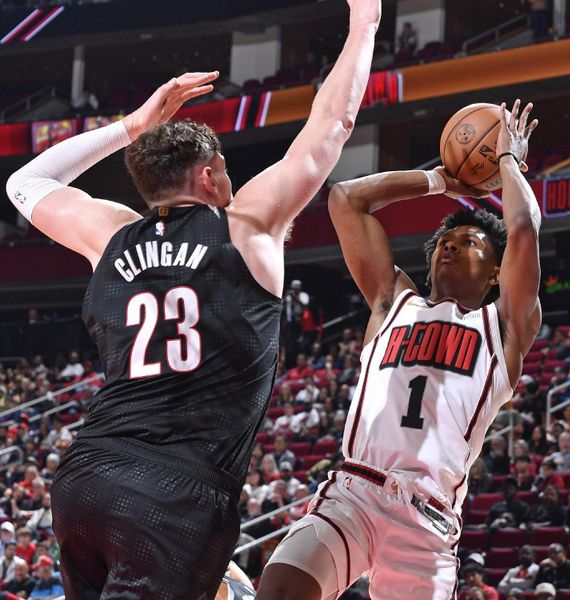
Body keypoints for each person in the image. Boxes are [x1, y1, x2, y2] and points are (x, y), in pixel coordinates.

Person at [5, 1, 382, 597]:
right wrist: (364, 25)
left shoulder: (108, 234)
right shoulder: (246, 228)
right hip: (173, 494)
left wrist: (131, 126)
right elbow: (330, 128)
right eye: (226, 168)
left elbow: (22, 182)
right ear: (209, 175)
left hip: (85, 482)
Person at [259, 98, 542, 600]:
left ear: (497, 272)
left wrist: (507, 162)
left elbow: (522, 229)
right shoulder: (393, 302)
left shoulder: (502, 325)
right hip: (355, 493)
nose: (452, 246)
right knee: (280, 589)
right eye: (445, 241)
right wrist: (440, 181)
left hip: (427, 517)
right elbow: (346, 199)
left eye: (471, 241)